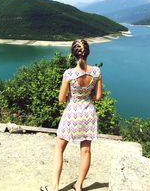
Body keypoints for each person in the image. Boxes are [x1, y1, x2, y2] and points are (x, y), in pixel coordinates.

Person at [40, 39, 102, 191]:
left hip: (71, 115)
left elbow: (61, 99)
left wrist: (72, 97)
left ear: (73, 54)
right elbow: (98, 96)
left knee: (59, 149)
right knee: (86, 150)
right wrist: (86, 98)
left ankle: (54, 187)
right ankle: (79, 186)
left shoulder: (69, 74)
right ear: (88, 53)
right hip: (88, 114)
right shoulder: (96, 72)